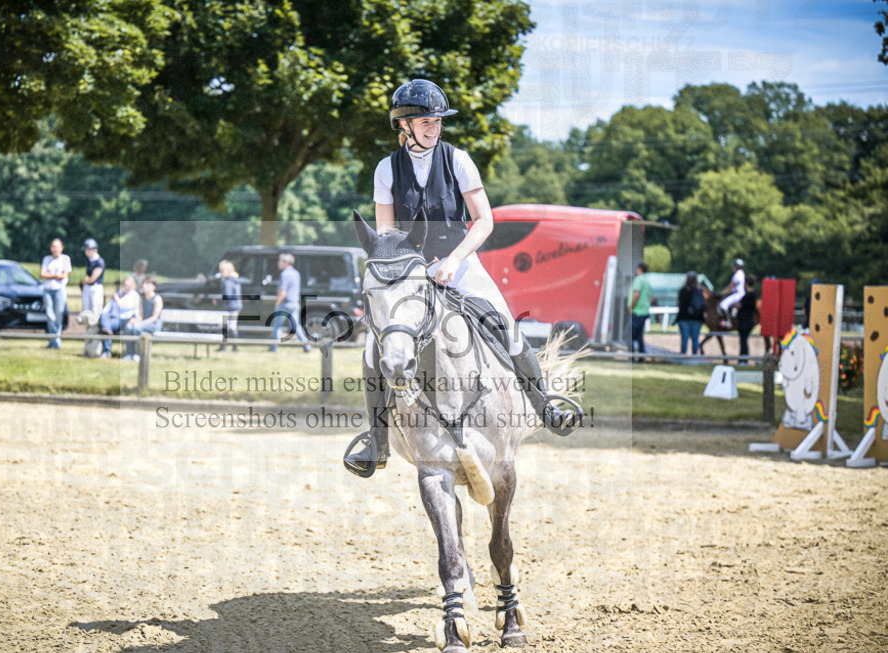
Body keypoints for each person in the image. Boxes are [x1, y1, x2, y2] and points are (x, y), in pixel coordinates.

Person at [343, 78, 572, 478]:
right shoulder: (386, 169)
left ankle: (545, 405)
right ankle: (377, 442)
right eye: (426, 121)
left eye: (437, 121)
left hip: (462, 264)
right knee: (371, 351)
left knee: (505, 325)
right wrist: (400, 273)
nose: (434, 127)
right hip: (411, 272)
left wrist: (453, 259)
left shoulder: (458, 159)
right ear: (405, 125)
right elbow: (386, 237)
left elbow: (485, 220)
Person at [269, 253, 311, 353]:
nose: (278, 263)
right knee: (296, 326)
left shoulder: (284, 274)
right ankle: (306, 345)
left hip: (285, 303)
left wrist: (277, 303)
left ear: (286, 263)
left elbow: (283, 291)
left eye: (280, 261)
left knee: (277, 326)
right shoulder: (296, 273)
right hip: (294, 303)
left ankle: (273, 347)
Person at [40, 238, 72, 349]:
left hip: (60, 290)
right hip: (48, 290)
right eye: (53, 246)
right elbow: (43, 274)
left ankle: (56, 341)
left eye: (57, 247)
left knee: (59, 315)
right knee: (50, 315)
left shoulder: (65, 259)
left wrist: (51, 274)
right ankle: (53, 339)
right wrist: (55, 275)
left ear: (61, 248)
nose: (55, 249)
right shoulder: (47, 259)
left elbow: (64, 276)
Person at [98, 275, 140, 358]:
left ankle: (106, 352)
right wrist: (102, 314)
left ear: (132, 285)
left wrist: (117, 300)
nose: (126, 286)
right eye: (125, 284)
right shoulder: (119, 293)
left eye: (128, 284)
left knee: (105, 326)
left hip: (123, 319)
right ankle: (107, 330)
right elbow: (108, 306)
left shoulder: (134, 295)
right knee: (104, 317)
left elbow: (126, 306)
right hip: (111, 317)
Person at [124, 277, 164, 360]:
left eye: (147, 284)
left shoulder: (157, 299)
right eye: (144, 283)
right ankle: (129, 353)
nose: (144, 285)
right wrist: (135, 320)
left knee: (137, 328)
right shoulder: (142, 298)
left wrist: (140, 323)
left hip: (154, 325)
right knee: (128, 327)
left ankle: (140, 354)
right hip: (143, 323)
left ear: (153, 287)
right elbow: (141, 315)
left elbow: (154, 318)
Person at [624, 262, 651, 362]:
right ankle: (641, 357)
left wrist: (631, 306)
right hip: (644, 312)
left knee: (627, 334)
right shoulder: (646, 281)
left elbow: (636, 294)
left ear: (639, 269)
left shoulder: (639, 280)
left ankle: (631, 358)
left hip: (637, 312)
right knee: (639, 336)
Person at [676, 270, 706, 355]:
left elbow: (679, 304)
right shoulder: (699, 291)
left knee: (684, 339)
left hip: (684, 318)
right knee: (695, 339)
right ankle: (694, 356)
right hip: (698, 318)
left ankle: (683, 356)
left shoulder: (683, 290)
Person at [217, 259, 242, 352]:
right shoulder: (236, 280)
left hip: (229, 307)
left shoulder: (228, 282)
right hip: (236, 306)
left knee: (226, 327)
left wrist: (218, 301)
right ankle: (234, 347)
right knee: (232, 326)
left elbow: (227, 296)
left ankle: (225, 347)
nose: (221, 273)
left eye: (222, 270)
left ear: (228, 271)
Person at [80, 238, 105, 317]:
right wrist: (86, 281)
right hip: (88, 288)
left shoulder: (99, 261)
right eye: (86, 250)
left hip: (95, 288)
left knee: (95, 311)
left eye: (89, 250)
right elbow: (87, 276)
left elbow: (92, 279)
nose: (87, 252)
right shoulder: (89, 261)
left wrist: (84, 282)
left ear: (95, 250)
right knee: (86, 310)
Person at [718, 258, 746, 328]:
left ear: (737, 266)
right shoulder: (741, 273)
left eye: (734, 266)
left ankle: (728, 322)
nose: (732, 267)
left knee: (723, 305)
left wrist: (721, 293)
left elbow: (730, 287)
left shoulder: (738, 274)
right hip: (738, 293)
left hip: (738, 294)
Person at [737, 274, 758, 364]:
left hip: (745, 320)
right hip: (748, 320)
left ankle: (743, 359)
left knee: (743, 341)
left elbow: (740, 305)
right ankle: (743, 359)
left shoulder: (748, 295)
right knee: (743, 340)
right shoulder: (752, 295)